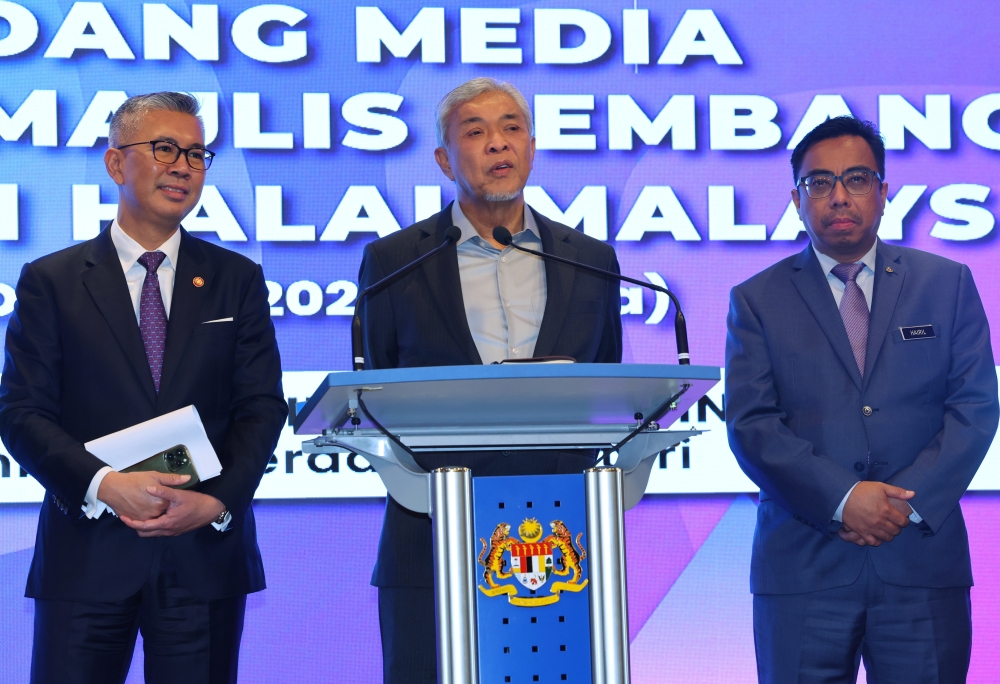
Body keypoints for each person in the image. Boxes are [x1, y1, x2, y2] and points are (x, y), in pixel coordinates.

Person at [0, 92, 286, 684]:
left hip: (203, 554)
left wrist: (218, 500)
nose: (183, 166)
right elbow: (22, 412)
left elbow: (260, 406)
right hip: (86, 556)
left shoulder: (237, 280)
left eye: (197, 154)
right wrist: (104, 484)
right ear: (115, 163)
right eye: (164, 149)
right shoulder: (51, 281)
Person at [358, 77, 623, 683]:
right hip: (431, 529)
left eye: (511, 129)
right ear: (445, 160)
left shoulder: (591, 259)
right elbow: (382, 394)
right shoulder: (395, 261)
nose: (497, 144)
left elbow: (606, 385)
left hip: (563, 537)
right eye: (475, 132)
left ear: (531, 147)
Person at [725, 115, 998, 682]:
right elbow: (752, 425)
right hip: (803, 568)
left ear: (884, 192)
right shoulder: (756, 300)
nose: (839, 196)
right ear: (796, 200)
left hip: (920, 561)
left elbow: (973, 407)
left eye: (856, 178)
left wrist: (901, 504)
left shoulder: (946, 284)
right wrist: (843, 498)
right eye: (819, 183)